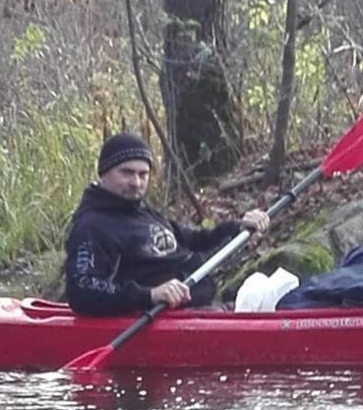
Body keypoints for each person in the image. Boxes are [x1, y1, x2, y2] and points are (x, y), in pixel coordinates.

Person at [65, 132, 270, 316]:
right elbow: (82, 290)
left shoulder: (142, 212)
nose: (136, 182)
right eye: (126, 173)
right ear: (104, 174)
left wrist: (238, 228)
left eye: (143, 174)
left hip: (200, 308)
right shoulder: (92, 226)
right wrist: (151, 295)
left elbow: (197, 241)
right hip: (159, 319)